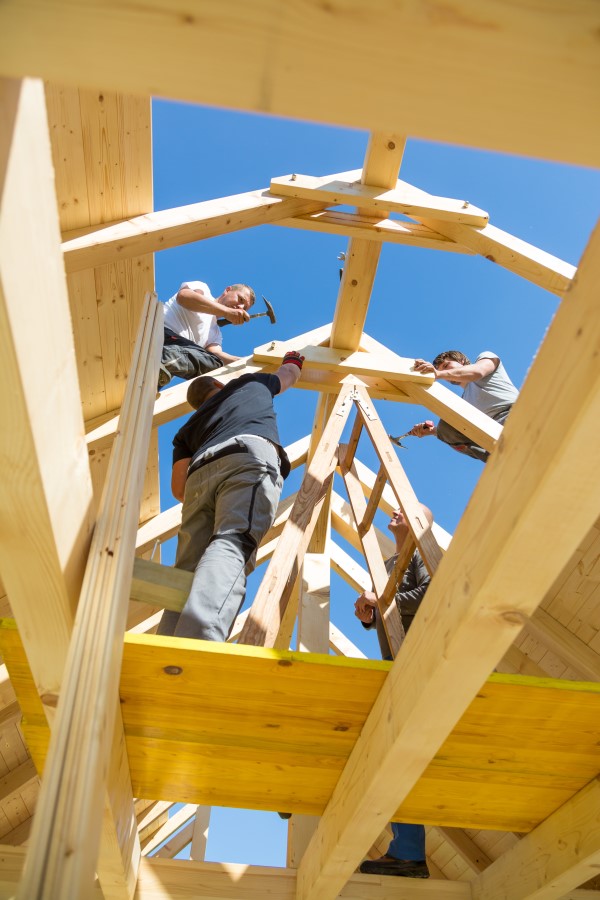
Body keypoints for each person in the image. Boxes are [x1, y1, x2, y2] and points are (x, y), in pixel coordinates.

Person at [157, 350, 304, 642]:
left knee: (187, 568)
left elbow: (178, 490)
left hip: (199, 473)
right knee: (233, 540)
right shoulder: (249, 384)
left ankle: (165, 646)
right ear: (220, 386)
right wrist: (294, 361)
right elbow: (287, 377)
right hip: (246, 455)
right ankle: (198, 641)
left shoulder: (186, 431)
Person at [355, 505, 433, 880]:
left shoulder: (422, 554)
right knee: (395, 757)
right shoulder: (387, 564)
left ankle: (408, 852)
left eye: (404, 510)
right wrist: (368, 616)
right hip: (397, 661)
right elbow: (384, 614)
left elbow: (431, 594)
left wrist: (382, 602)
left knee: (401, 756)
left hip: (420, 658)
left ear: (420, 523)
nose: (393, 511)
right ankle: (406, 850)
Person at [409, 350, 519, 462]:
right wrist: (433, 431)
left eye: (446, 365)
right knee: (446, 427)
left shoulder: (486, 358)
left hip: (513, 415)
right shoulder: (463, 404)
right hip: (493, 437)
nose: (446, 372)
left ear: (461, 361)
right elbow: (455, 432)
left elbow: (478, 372)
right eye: (442, 370)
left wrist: (438, 374)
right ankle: (499, 460)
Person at [159, 280, 256, 388]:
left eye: (245, 308)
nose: (241, 307)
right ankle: (164, 358)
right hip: (162, 333)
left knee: (215, 366)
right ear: (228, 290)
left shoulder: (215, 334)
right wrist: (226, 311)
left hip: (173, 357)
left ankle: (161, 366)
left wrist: (245, 362)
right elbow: (183, 297)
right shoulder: (203, 290)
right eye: (240, 299)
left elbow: (216, 356)